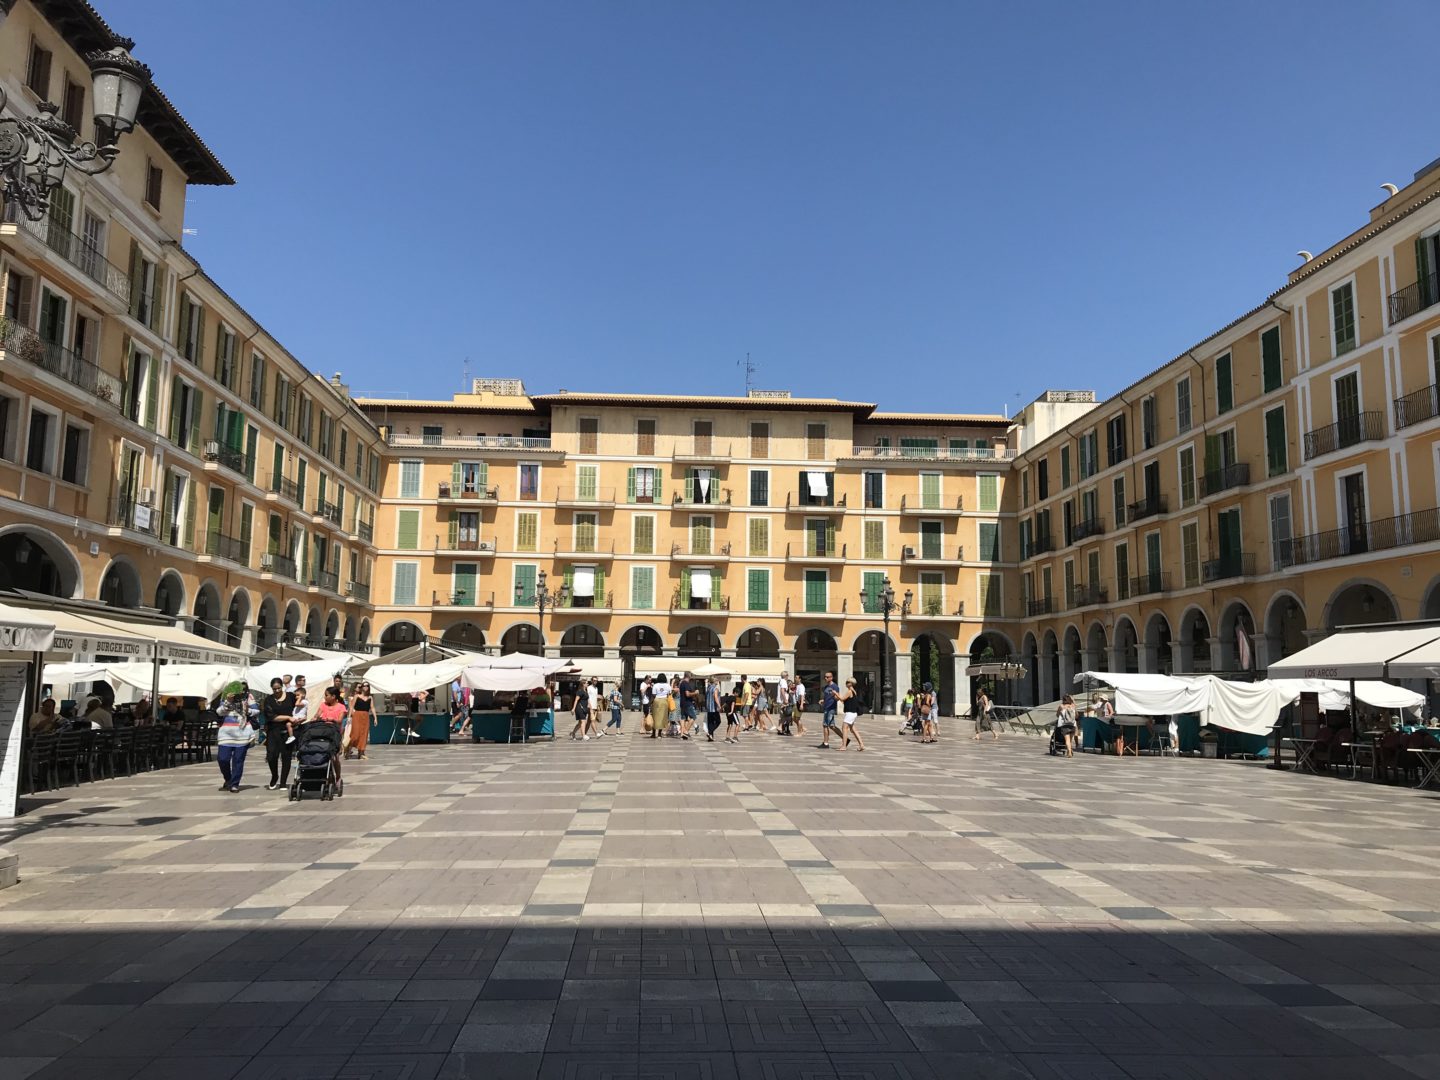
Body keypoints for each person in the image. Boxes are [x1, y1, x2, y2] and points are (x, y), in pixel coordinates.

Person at [214, 689, 257, 793]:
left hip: (242, 732)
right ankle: (228, 779)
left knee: (238, 760)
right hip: (226, 733)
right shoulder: (226, 696)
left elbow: (257, 711)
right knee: (222, 759)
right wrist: (228, 701)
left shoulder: (248, 697)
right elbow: (219, 712)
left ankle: (234, 784)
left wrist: (248, 710)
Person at [261, 678, 296, 791]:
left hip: (288, 730)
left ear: (282, 686)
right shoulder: (269, 700)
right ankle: (274, 776)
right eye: (274, 689)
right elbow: (272, 717)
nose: (276, 690)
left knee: (286, 756)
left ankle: (283, 782)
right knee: (271, 755)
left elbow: (301, 704)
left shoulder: (291, 696)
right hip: (273, 730)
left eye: (278, 688)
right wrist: (287, 717)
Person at [315, 686, 348, 788]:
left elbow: (340, 720)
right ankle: (325, 776)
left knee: (334, 757)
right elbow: (316, 715)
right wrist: (315, 718)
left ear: (333, 696)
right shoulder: (323, 705)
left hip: (334, 733)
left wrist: (332, 719)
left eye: (326, 695)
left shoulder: (341, 707)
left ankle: (338, 776)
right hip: (322, 732)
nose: (325, 697)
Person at [839, 678, 866, 751]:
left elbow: (842, 698)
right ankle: (861, 745)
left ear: (851, 683)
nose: (846, 683)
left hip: (850, 713)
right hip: (853, 713)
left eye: (847, 682)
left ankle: (844, 746)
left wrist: (835, 693)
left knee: (844, 728)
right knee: (853, 730)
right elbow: (847, 701)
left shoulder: (850, 691)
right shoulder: (854, 691)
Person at [349, 682, 374, 758]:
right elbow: (352, 707)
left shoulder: (370, 698)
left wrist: (375, 718)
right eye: (364, 686)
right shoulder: (356, 696)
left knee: (364, 734)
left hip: (366, 716)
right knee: (355, 734)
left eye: (367, 686)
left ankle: (361, 752)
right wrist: (349, 717)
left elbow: (372, 708)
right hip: (357, 715)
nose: (366, 687)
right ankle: (348, 747)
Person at [819, 672, 839, 749]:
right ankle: (845, 739)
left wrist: (835, 696)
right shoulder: (826, 687)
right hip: (826, 707)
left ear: (831, 677)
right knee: (831, 726)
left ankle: (826, 743)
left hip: (831, 708)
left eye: (827, 677)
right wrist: (823, 700)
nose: (825, 678)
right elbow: (827, 697)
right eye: (825, 677)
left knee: (825, 725)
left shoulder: (835, 687)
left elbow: (837, 698)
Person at [677, 674, 695, 740]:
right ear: (689, 676)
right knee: (693, 716)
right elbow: (687, 694)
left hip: (682, 703)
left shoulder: (681, 683)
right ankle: (685, 731)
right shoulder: (686, 683)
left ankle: (682, 734)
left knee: (683, 718)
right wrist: (695, 693)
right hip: (688, 703)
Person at [704, 676, 722, 741]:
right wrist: (719, 706)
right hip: (714, 708)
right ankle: (710, 733)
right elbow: (716, 698)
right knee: (718, 721)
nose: (718, 681)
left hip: (708, 708)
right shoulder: (715, 689)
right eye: (717, 680)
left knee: (710, 722)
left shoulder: (708, 688)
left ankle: (711, 736)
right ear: (714, 681)